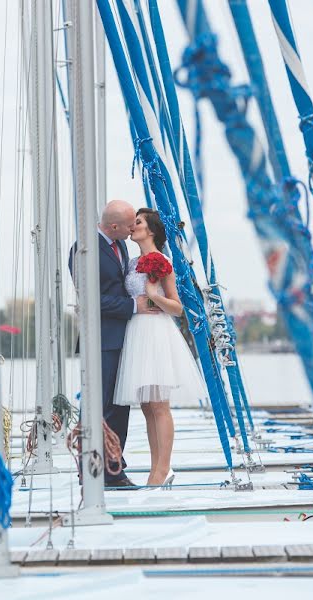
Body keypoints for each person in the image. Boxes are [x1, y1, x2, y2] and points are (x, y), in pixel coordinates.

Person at [69, 199, 159, 488]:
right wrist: (133, 305)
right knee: (99, 405)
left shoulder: (121, 245)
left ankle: (114, 468)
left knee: (120, 407)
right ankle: (90, 469)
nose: (134, 227)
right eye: (130, 223)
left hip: (125, 338)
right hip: (101, 340)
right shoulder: (83, 248)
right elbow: (91, 299)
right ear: (114, 226)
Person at [113, 208, 206, 487]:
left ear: (150, 230)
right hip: (136, 332)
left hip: (156, 333)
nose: (132, 226)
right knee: (146, 405)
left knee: (159, 404)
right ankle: (156, 467)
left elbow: (177, 308)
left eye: (137, 222)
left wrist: (154, 297)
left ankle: (163, 469)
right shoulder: (130, 263)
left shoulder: (162, 260)